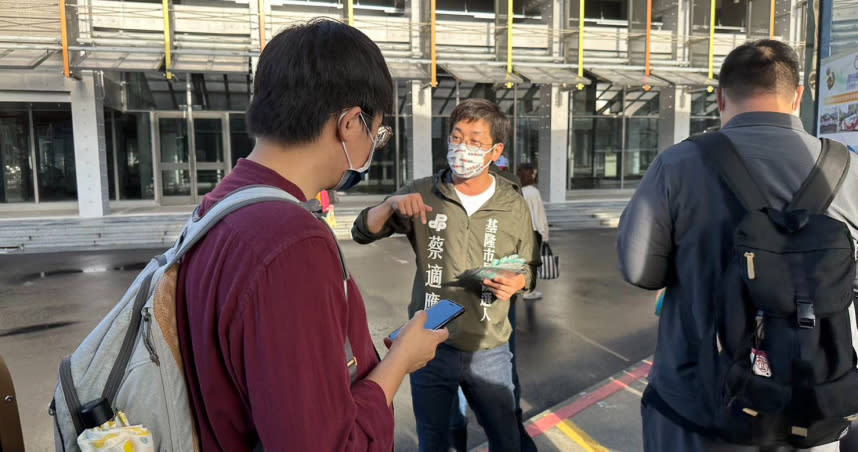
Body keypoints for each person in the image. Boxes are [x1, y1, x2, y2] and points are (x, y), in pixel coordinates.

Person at [175, 19, 448, 451]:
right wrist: (401, 360)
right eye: (377, 132)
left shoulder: (220, 208)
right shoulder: (291, 243)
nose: (373, 145)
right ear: (350, 124)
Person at [617, 40, 858, 451]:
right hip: (811, 405)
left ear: (720, 97)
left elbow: (640, 271)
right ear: (798, 95)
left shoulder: (678, 165)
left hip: (699, 407)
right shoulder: (848, 169)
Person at [353, 98, 540, 451]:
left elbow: (529, 264)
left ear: (495, 150)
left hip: (489, 346)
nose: (462, 148)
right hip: (428, 342)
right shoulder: (423, 192)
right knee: (434, 440)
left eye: (474, 140)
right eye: (457, 137)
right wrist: (388, 205)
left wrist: (519, 281)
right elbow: (363, 231)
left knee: (505, 437)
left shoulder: (512, 201)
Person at [516, 163, 548, 301]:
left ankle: (521, 287)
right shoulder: (533, 192)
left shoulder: (516, 190)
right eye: (533, 173)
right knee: (532, 262)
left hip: (519, 232)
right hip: (533, 231)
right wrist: (545, 233)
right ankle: (528, 289)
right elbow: (539, 215)